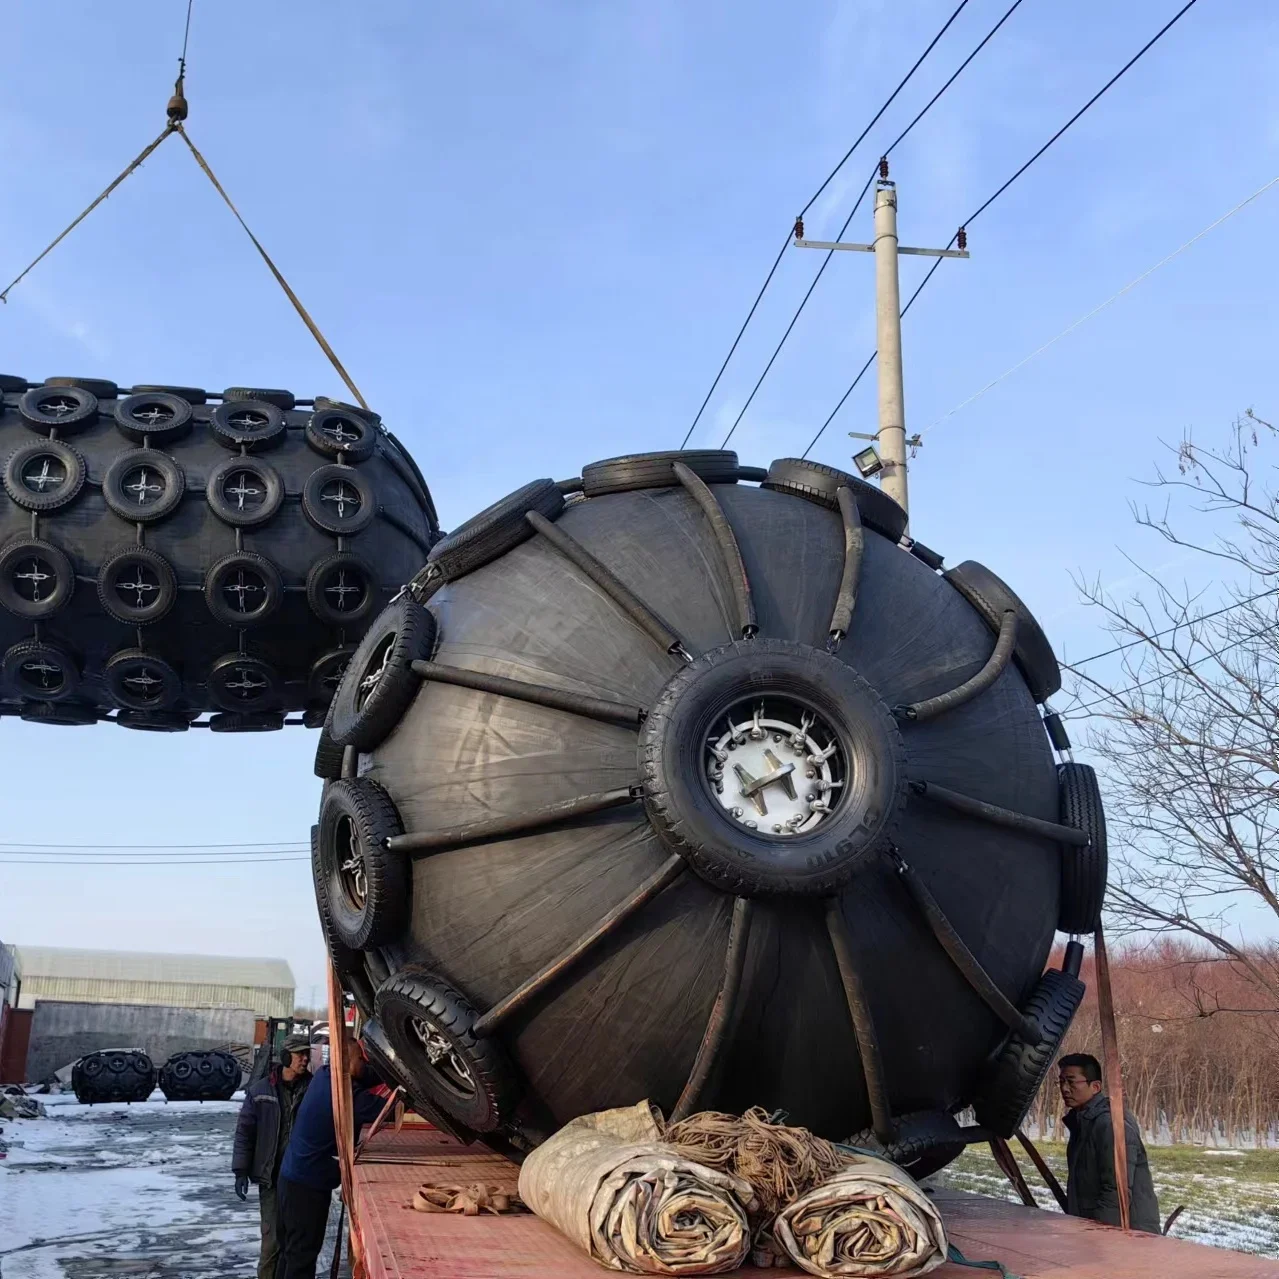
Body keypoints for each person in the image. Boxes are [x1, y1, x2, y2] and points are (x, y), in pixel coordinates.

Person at [274, 1038, 389, 1279]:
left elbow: (364, 1075)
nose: (364, 1063)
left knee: (290, 1253)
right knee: (302, 1257)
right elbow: (387, 1110)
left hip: (291, 1180)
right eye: (360, 1059)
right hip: (306, 1188)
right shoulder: (344, 1095)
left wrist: (392, 1072)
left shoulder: (325, 1075)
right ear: (346, 1062)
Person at [232, 1034, 313, 1279]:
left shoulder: (314, 1089)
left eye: (306, 1054)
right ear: (286, 1056)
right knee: (271, 1242)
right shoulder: (260, 1092)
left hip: (302, 1181)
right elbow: (245, 1133)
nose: (305, 1059)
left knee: (297, 1243)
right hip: (272, 1180)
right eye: (300, 1054)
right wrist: (240, 1171)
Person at [1058, 1052, 1160, 1233]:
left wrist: (1099, 1237)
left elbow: (1116, 1191)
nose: (1065, 1088)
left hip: (1128, 1235)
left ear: (1095, 1086)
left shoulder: (1110, 1125)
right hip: (1097, 1230)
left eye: (1072, 1082)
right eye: (1061, 1081)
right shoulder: (1083, 1122)